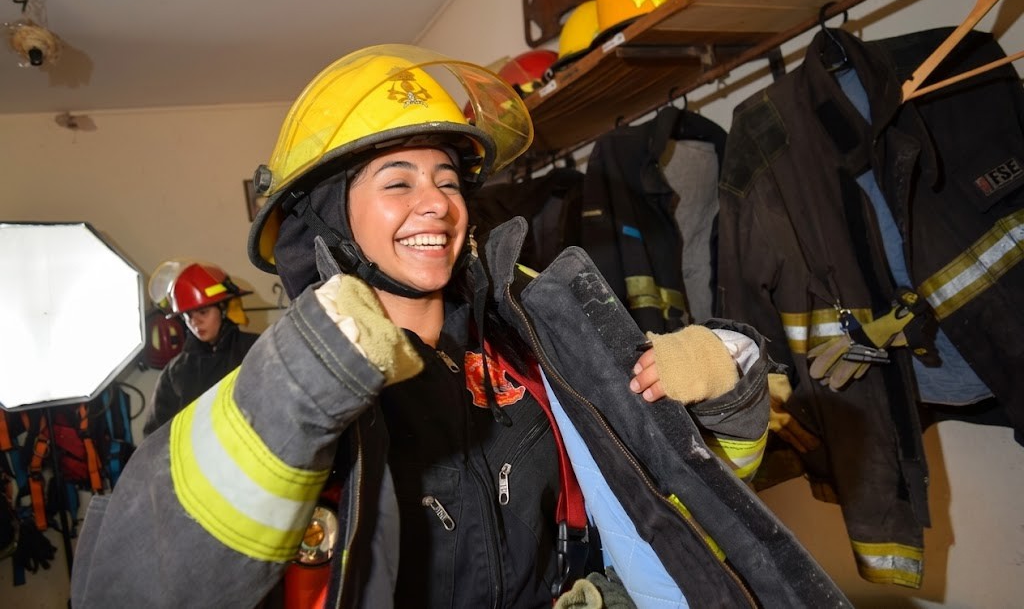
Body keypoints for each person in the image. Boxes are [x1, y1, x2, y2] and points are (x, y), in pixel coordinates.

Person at [70, 45, 847, 608]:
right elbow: (131, 590)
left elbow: (704, 500)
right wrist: (306, 381)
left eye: (447, 179)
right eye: (397, 180)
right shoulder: (277, 395)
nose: (435, 203)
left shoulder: (535, 338)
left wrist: (731, 379)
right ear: (330, 218)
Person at [141, 261, 260, 436]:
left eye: (203, 312)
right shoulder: (175, 372)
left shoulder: (257, 351)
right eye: (188, 315)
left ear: (224, 309)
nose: (195, 322)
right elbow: (154, 438)